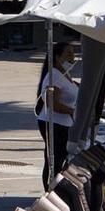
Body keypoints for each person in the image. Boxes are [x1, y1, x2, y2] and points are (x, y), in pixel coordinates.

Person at [35, 41, 78, 191]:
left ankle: (58, 189)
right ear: (58, 57)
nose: (73, 57)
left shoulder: (65, 74)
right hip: (53, 123)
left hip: (64, 123)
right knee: (54, 158)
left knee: (61, 158)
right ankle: (50, 190)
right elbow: (51, 103)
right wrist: (73, 112)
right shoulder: (54, 75)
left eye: (73, 53)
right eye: (69, 53)